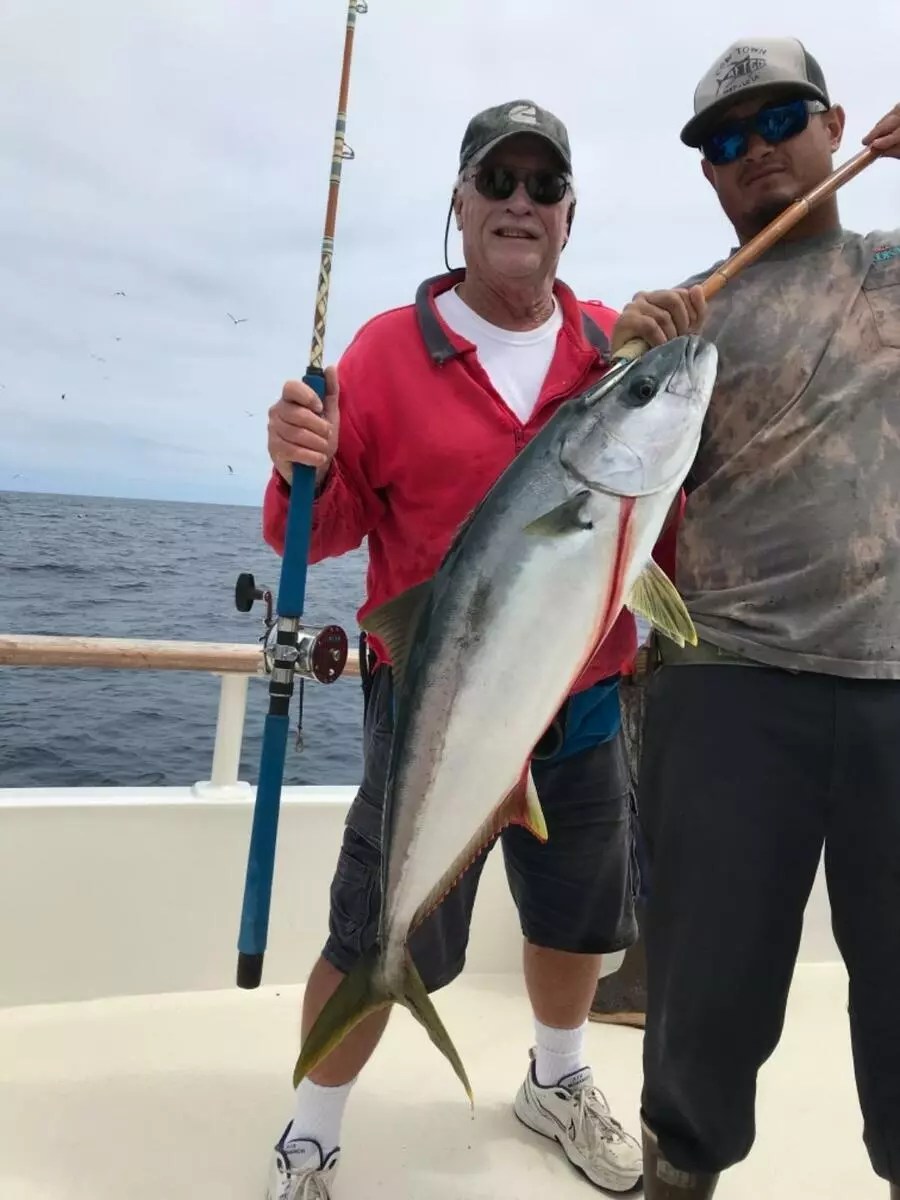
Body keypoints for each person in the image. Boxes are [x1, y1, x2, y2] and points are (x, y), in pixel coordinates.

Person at [259, 99, 684, 1199]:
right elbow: (320, 528)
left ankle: (555, 1079)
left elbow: (651, 527)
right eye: (498, 181)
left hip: (583, 702)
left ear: (569, 216)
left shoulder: (605, 348)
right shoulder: (389, 352)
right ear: (460, 203)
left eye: (545, 186)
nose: (520, 203)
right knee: (375, 932)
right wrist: (298, 459)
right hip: (437, 701)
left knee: (579, 921)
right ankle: (311, 1134)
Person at [606, 35, 900, 1198]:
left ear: (836, 126)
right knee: (703, 993)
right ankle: (680, 1171)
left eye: (780, 123)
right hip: (726, 684)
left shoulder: (890, 265)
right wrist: (620, 360)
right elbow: (588, 487)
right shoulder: (692, 323)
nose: (756, 153)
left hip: (895, 684)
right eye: (725, 143)